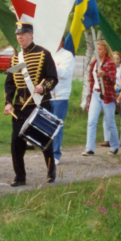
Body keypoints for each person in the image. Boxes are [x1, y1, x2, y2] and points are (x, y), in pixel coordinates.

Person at [4, 22, 59, 185]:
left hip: (40, 103)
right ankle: (20, 177)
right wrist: (8, 102)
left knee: (44, 141)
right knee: (16, 143)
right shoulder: (16, 58)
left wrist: (43, 87)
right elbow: (9, 83)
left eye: (23, 34)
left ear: (31, 35)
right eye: (18, 34)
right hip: (20, 106)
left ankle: (51, 170)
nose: (20, 37)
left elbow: (53, 78)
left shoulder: (44, 53)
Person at [82, 40, 119, 156]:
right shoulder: (94, 64)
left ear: (106, 50)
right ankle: (89, 148)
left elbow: (113, 80)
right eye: (96, 49)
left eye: (100, 49)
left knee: (109, 122)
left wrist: (105, 75)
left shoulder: (110, 63)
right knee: (91, 121)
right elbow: (91, 80)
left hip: (107, 95)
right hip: (95, 94)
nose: (98, 51)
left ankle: (114, 146)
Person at [48, 36, 76, 165]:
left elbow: (65, 73)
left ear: (61, 42)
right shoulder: (48, 53)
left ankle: (56, 154)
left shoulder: (67, 56)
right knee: (47, 124)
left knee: (57, 124)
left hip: (61, 95)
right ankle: (48, 151)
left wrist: (51, 66)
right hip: (47, 94)